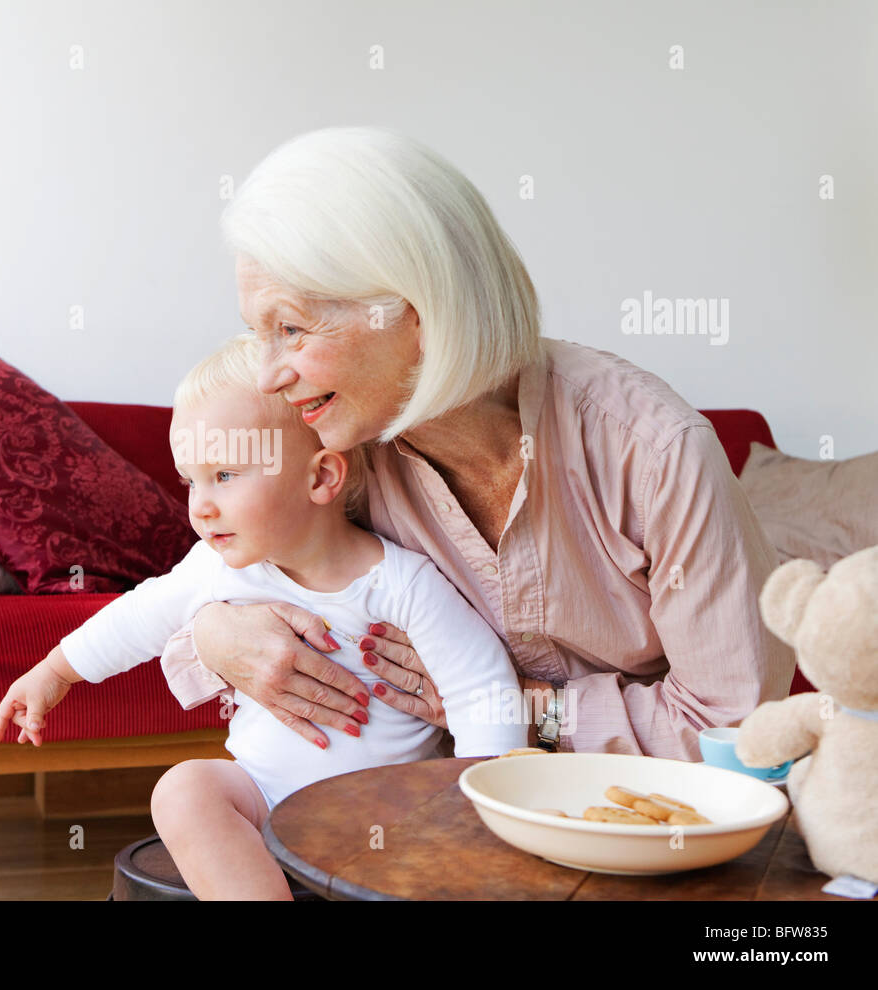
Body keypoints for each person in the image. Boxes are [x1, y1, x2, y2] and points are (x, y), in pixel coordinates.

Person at [158, 126, 795, 761]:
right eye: (258, 334)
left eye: (292, 329)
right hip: (424, 813)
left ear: (416, 311)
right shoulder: (331, 444)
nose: (269, 374)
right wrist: (214, 635)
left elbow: (737, 726)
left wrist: (518, 709)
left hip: (642, 820)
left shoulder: (653, 451)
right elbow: (221, 572)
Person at [0, 335, 527, 899]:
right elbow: (136, 617)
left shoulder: (402, 584)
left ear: (321, 477)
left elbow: (480, 687)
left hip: (388, 815)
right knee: (184, 788)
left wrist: (477, 811)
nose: (200, 504)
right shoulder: (217, 570)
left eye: (224, 476)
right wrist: (54, 673)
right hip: (263, 801)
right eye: (190, 480)